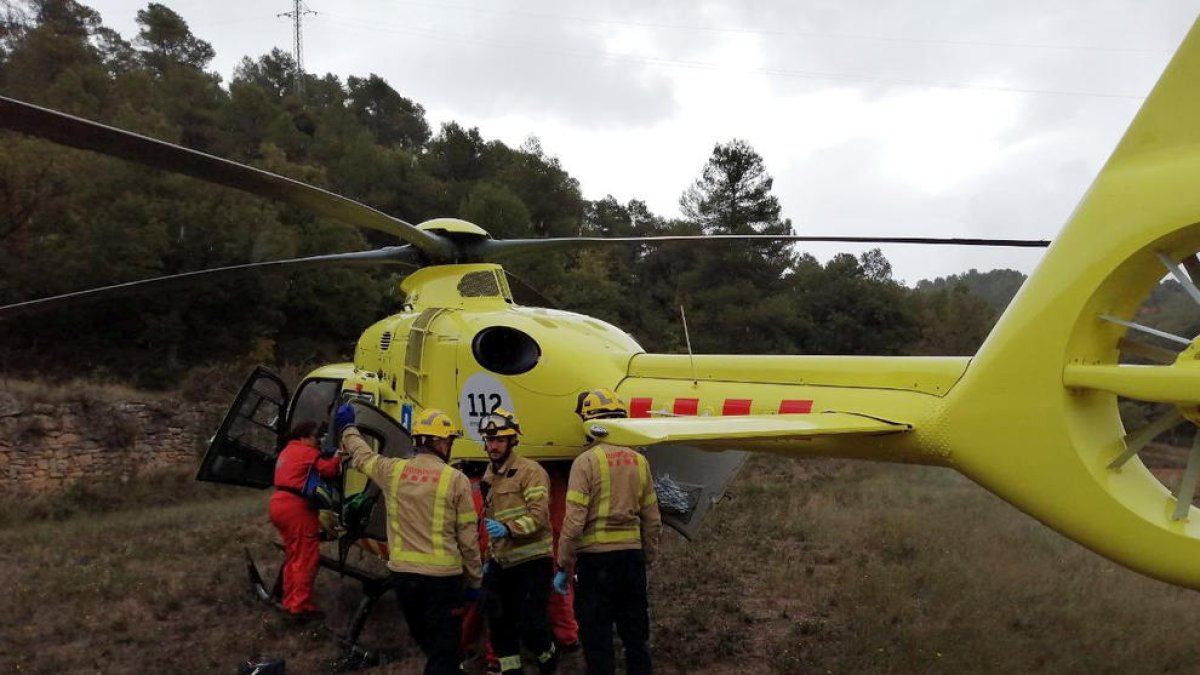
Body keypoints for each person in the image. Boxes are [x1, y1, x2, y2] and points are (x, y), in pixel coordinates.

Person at [337, 404, 483, 675]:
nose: (450, 446)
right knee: (444, 648)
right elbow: (468, 538)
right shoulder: (456, 480)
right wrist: (475, 580)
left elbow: (362, 456)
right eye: (448, 440)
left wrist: (348, 428)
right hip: (443, 581)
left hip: (404, 579)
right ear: (438, 442)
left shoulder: (393, 471)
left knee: (429, 642)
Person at [554, 388, 663, 675]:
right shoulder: (639, 461)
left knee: (598, 639)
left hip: (596, 563)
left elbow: (574, 522)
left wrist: (564, 563)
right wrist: (647, 556)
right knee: (636, 637)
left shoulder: (585, 462)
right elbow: (652, 518)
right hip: (631, 559)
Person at [478, 408, 558, 674]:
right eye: (490, 440)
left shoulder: (530, 472)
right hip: (501, 564)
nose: (494, 446)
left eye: (500, 440)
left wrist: (508, 529)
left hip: (532, 563)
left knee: (530, 624)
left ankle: (549, 659)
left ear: (512, 440)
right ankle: (512, 670)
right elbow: (490, 519)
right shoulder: (489, 475)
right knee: (499, 624)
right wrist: (489, 560)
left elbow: (539, 517)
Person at [268, 419, 342, 623]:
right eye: (315, 437)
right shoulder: (307, 452)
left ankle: (289, 601)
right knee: (305, 558)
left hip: (278, 504)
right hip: (297, 508)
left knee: (293, 556)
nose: (318, 441)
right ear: (304, 437)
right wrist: (338, 455)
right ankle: (300, 609)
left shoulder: (287, 451)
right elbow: (329, 470)